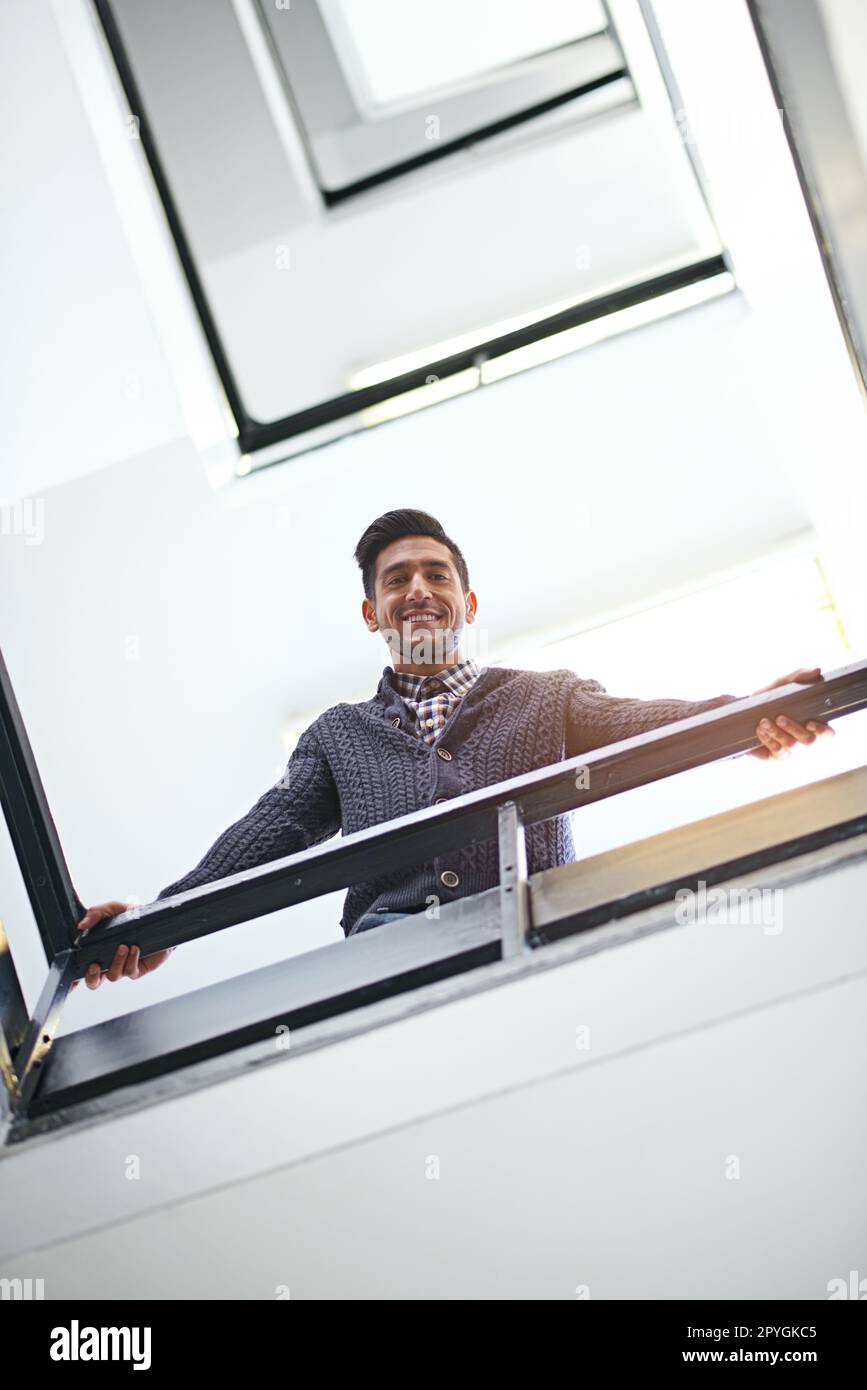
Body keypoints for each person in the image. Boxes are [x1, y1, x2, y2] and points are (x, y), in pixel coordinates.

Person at [75, 508, 834, 989]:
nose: (417, 589)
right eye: (396, 579)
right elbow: (271, 831)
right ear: (372, 614)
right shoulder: (337, 735)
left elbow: (642, 722)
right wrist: (163, 915)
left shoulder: (543, 695)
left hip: (536, 926)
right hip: (383, 950)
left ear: (465, 603)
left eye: (435, 574)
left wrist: (748, 718)